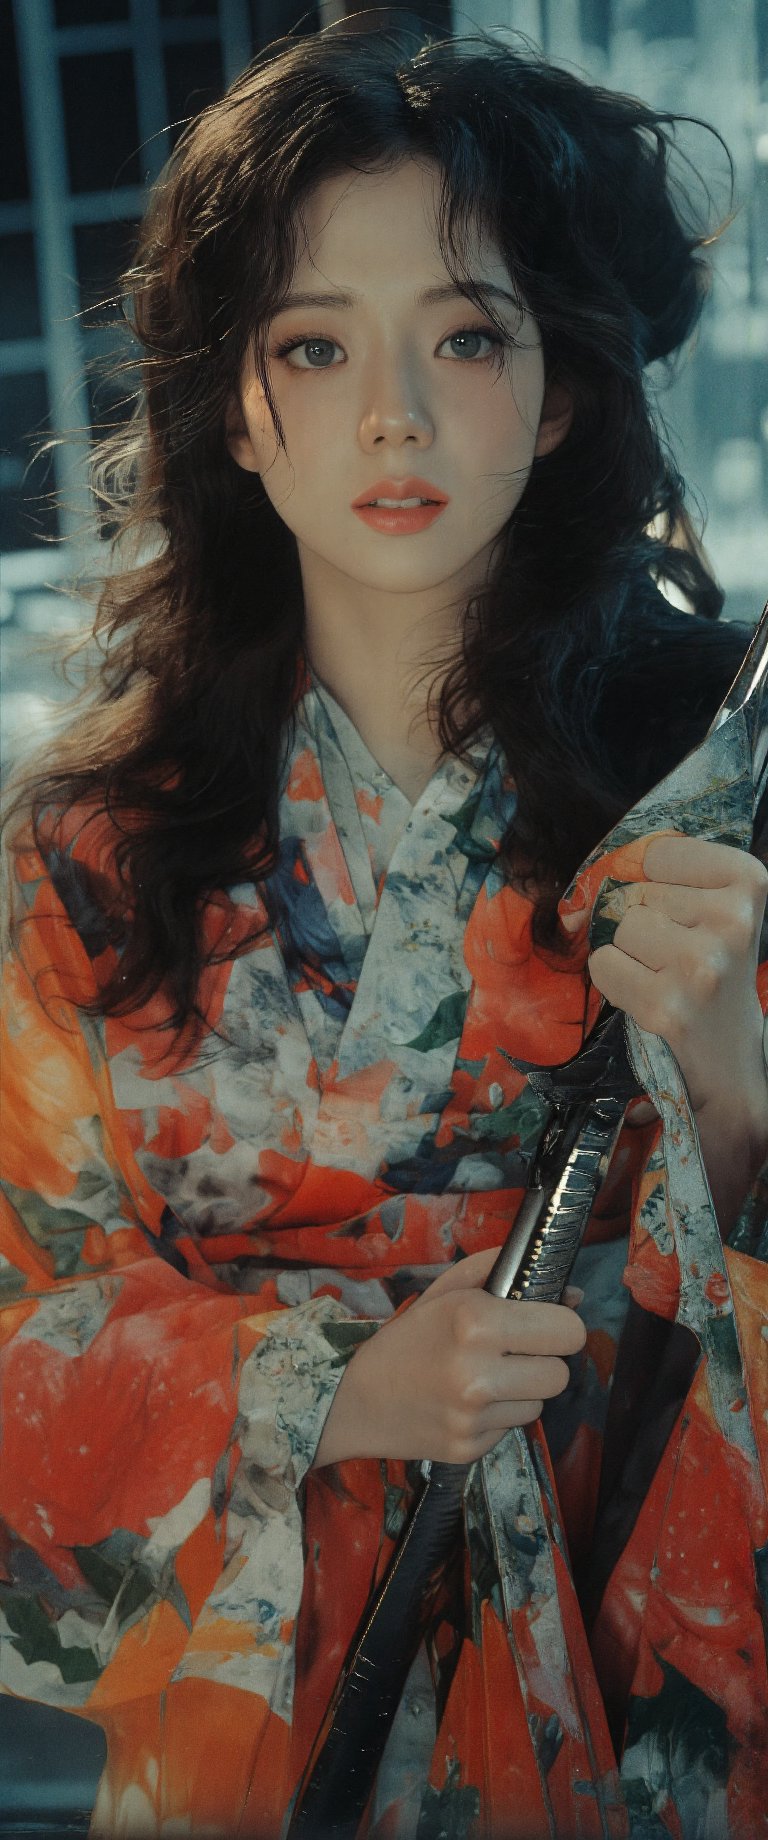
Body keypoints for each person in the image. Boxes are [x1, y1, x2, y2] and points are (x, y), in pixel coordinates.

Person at [1, 14, 766, 1839]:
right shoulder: (92, 853)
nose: (392, 416)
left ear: (564, 386)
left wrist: (740, 1098)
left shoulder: (727, 792)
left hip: (649, 1726)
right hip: (252, 1762)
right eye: (316, 344)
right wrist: (333, 1388)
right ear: (238, 413)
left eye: (468, 335)